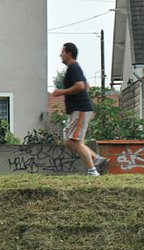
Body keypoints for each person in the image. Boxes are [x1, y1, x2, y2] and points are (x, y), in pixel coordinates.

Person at [52, 42, 108, 176]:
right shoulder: (73, 68)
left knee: (74, 141)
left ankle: (93, 170)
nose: (60, 55)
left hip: (80, 109)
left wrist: (61, 92)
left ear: (69, 53)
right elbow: (85, 84)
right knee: (69, 142)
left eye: (62, 52)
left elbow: (81, 86)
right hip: (77, 110)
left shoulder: (74, 68)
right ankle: (96, 159)